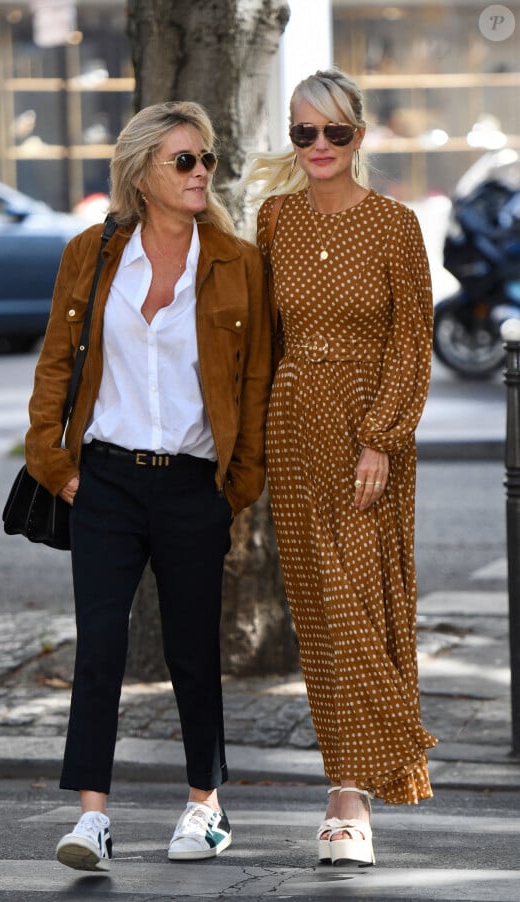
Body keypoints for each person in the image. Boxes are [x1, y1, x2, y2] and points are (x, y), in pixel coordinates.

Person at [25, 100, 271, 871]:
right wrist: (55, 466)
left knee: (193, 652)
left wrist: (236, 488)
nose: (203, 173)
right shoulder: (91, 256)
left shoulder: (236, 262)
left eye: (206, 160)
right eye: (185, 161)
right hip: (104, 483)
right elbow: (57, 364)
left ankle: (206, 805)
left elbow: (256, 378)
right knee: (99, 647)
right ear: (143, 174)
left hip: (194, 485)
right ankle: (92, 817)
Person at [244, 67, 437, 866]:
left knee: (363, 600)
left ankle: (369, 774)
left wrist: (381, 438)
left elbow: (412, 339)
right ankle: (346, 792)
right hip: (294, 430)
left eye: (334, 131)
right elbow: (265, 339)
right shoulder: (275, 219)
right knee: (320, 616)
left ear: (360, 135)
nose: (318, 146)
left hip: (367, 438)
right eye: (302, 132)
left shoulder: (395, 225)